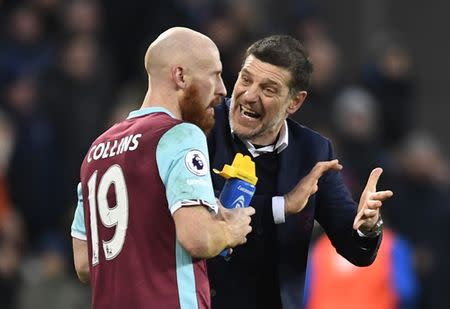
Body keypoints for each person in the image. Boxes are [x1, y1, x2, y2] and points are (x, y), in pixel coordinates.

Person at [70, 27, 255, 309]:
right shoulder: (180, 135)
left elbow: (84, 263)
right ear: (180, 76)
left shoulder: (96, 151)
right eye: (214, 75)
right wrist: (232, 229)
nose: (222, 89)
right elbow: (197, 238)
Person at [206, 35, 393, 309]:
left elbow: (356, 250)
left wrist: (367, 227)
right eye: (245, 80)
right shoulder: (202, 127)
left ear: (294, 102)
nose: (249, 95)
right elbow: (200, 211)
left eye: (268, 90)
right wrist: (281, 207)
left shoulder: (314, 152)